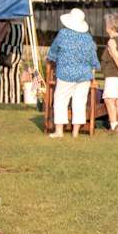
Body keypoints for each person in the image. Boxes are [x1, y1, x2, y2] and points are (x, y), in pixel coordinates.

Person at [47, 8, 98, 138]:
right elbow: (93, 58)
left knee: (60, 100)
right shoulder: (88, 38)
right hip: (84, 74)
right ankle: (75, 132)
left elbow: (53, 52)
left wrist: (52, 59)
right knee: (80, 102)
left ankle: (59, 131)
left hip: (66, 73)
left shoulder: (63, 34)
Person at [101, 13, 118, 130]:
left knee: (109, 100)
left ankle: (113, 125)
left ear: (110, 26)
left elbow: (117, 57)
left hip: (113, 75)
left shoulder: (111, 41)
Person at [0, 18, 26, 105]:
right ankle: (16, 99)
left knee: (5, 76)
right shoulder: (22, 25)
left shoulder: (8, 25)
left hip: (7, 53)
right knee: (15, 76)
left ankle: (5, 99)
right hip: (18, 53)